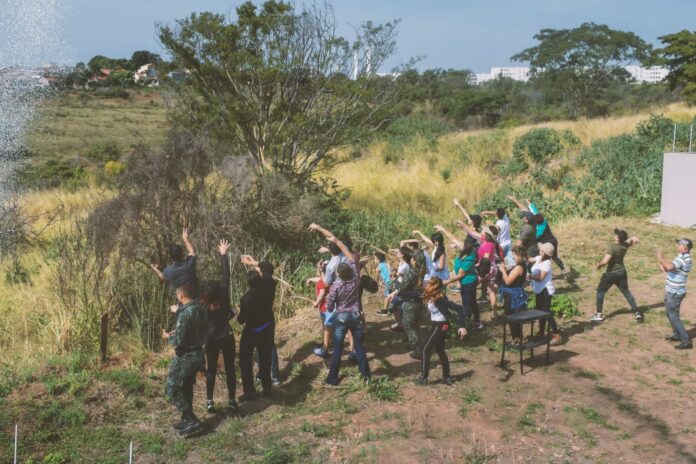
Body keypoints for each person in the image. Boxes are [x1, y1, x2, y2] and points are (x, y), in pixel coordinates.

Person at [312, 231, 371, 386]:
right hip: (356, 316)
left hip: (342, 317)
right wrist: (337, 241)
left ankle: (332, 378)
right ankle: (366, 376)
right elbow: (349, 256)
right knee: (359, 347)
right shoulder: (355, 278)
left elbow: (330, 305)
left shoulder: (336, 286)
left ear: (339, 273)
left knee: (337, 349)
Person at [164, 283, 208, 437]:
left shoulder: (184, 313)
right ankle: (185, 419)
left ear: (181, 296)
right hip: (199, 353)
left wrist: (169, 336)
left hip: (187, 356)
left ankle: (190, 418)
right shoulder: (201, 309)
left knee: (173, 387)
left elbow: (179, 341)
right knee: (187, 386)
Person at [200, 239, 238, 414]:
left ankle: (209, 401)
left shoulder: (204, 303)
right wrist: (223, 255)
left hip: (211, 338)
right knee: (230, 368)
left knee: (211, 370)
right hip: (226, 335)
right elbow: (226, 275)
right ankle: (231, 400)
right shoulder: (223, 292)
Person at [417, 277, 470, 385]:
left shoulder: (440, 299)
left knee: (425, 350)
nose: (425, 284)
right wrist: (397, 293)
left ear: (434, 286)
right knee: (440, 350)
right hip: (437, 325)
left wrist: (461, 326)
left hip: (441, 325)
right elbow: (413, 294)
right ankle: (446, 377)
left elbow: (459, 309)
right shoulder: (430, 294)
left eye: (428, 283)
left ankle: (423, 377)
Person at [238, 255, 277, 401]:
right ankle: (267, 387)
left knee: (245, 359)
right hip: (267, 327)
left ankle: (249, 390)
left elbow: (241, 320)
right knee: (265, 358)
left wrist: (239, 311)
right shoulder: (269, 284)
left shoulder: (246, 298)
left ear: (248, 283)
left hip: (252, 331)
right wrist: (254, 262)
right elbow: (268, 267)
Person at [435, 225, 483, 331]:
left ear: (469, 248)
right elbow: (452, 238)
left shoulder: (470, 258)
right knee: (472, 301)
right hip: (465, 281)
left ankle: (466, 326)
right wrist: (443, 229)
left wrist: (446, 282)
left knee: (466, 304)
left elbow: (460, 274)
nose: (460, 246)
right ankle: (476, 321)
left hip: (468, 282)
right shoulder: (465, 249)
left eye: (463, 246)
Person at [591, 229, 642, 323]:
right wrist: (632, 238)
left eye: (616, 234)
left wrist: (599, 265)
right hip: (622, 273)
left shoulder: (613, 248)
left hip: (611, 274)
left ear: (618, 238)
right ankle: (637, 312)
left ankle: (598, 315)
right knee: (626, 292)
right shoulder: (624, 246)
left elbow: (605, 261)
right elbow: (629, 242)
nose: (614, 235)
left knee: (600, 292)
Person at [387, 248, 423, 358]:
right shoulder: (418, 270)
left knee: (408, 325)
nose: (410, 259)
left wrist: (395, 285)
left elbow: (402, 287)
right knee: (414, 324)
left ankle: (417, 350)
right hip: (415, 301)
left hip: (410, 302)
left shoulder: (412, 272)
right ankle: (416, 345)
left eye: (412, 258)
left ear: (415, 261)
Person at [658, 238, 693, 349]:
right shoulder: (680, 256)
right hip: (671, 291)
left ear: (685, 247)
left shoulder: (684, 258)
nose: (678, 245)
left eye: (680, 244)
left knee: (673, 316)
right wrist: (663, 263)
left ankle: (686, 341)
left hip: (675, 292)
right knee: (670, 314)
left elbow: (668, 266)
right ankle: (677, 334)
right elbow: (669, 268)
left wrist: (661, 258)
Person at [151, 228, 200, 300]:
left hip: (183, 302)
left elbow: (162, 276)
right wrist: (185, 239)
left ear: (171, 257)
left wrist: (155, 269)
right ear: (182, 254)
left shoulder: (168, 271)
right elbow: (191, 251)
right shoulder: (190, 264)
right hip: (197, 299)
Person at [530, 242, 562, 346]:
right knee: (540, 312)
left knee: (546, 312)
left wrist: (529, 277)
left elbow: (540, 278)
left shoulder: (547, 263)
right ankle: (541, 332)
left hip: (546, 291)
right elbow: (529, 260)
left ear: (545, 253)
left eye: (542, 250)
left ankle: (557, 335)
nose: (540, 250)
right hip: (539, 290)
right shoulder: (539, 258)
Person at [497, 246, 528, 346]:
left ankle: (517, 338)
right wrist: (505, 270)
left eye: (514, 255)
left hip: (514, 296)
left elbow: (508, 281)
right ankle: (516, 338)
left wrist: (502, 270)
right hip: (511, 294)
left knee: (513, 318)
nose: (513, 257)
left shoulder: (519, 267)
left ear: (519, 255)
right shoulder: (520, 265)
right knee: (512, 318)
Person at [307, 260, 333, 358]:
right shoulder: (327, 279)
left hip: (325, 307)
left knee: (326, 328)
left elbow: (322, 292)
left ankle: (325, 349)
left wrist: (316, 303)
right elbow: (319, 279)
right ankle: (327, 344)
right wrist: (310, 279)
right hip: (327, 307)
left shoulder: (323, 282)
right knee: (327, 327)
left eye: (318, 269)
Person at [375, 251, 392, 316]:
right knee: (390, 295)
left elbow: (376, 277)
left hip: (388, 282)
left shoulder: (379, 266)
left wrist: (375, 283)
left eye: (375, 258)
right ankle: (391, 309)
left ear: (378, 260)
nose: (374, 260)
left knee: (387, 296)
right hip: (391, 281)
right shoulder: (385, 264)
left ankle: (385, 310)